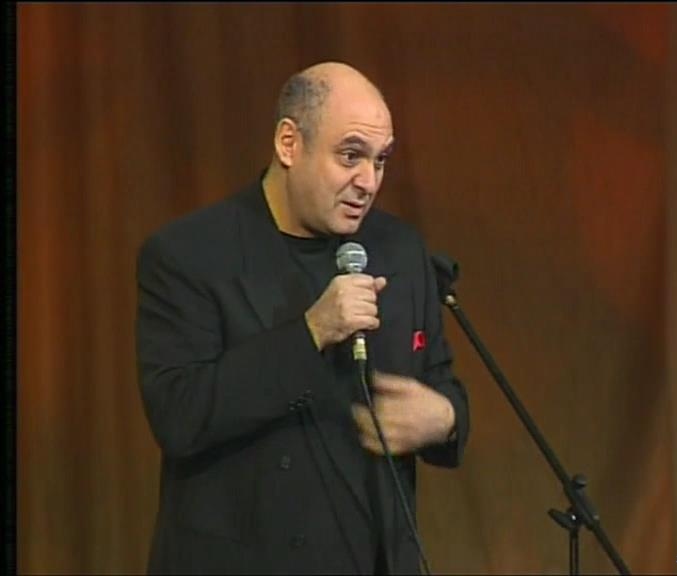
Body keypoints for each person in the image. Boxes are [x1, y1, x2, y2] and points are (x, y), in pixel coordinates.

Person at [135, 61, 469, 575]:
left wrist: (444, 419)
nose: (368, 181)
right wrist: (312, 332)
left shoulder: (400, 250)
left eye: (380, 160)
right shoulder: (190, 255)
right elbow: (179, 416)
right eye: (350, 155)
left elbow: (441, 382)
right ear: (289, 144)